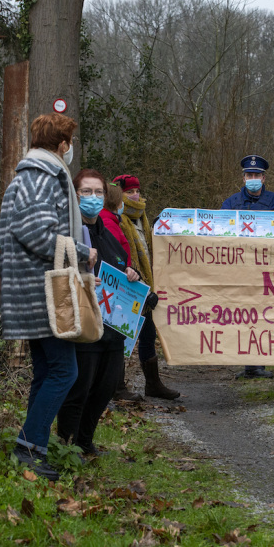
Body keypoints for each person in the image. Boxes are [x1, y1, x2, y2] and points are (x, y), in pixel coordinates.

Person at [0, 113, 97, 481]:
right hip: (41, 290)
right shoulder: (41, 177)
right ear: (61, 145)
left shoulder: (36, 174)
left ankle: (31, 447)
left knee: (47, 371)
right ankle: (28, 448)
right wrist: (80, 251)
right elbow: (36, 232)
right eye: (69, 141)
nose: (70, 148)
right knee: (63, 371)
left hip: (35, 289)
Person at [57, 169, 141, 453]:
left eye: (98, 192)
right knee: (79, 389)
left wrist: (131, 272)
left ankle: (85, 441)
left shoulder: (109, 235)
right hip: (85, 323)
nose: (93, 198)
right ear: (75, 194)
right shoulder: (68, 233)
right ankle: (67, 445)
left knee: (105, 389)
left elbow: (123, 265)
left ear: (105, 197)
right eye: (86, 192)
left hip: (115, 328)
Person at [221, 154, 274, 379]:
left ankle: (258, 363)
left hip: (269, 269)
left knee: (264, 314)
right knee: (242, 314)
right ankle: (247, 364)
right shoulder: (230, 203)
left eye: (257, 175)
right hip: (240, 270)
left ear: (263, 178)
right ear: (243, 178)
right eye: (249, 175)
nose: (253, 178)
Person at [115, 174, 180, 400]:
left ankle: (152, 384)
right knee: (121, 335)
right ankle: (117, 386)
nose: (135, 196)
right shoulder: (117, 219)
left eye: (137, 191)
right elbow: (124, 258)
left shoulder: (141, 218)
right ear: (119, 195)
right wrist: (142, 287)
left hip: (145, 286)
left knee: (148, 333)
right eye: (129, 192)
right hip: (129, 287)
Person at [101, 180, 143, 401]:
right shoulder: (107, 222)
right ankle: (115, 388)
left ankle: (117, 386)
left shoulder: (111, 220)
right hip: (117, 286)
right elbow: (113, 256)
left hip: (121, 282)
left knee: (118, 337)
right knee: (115, 337)